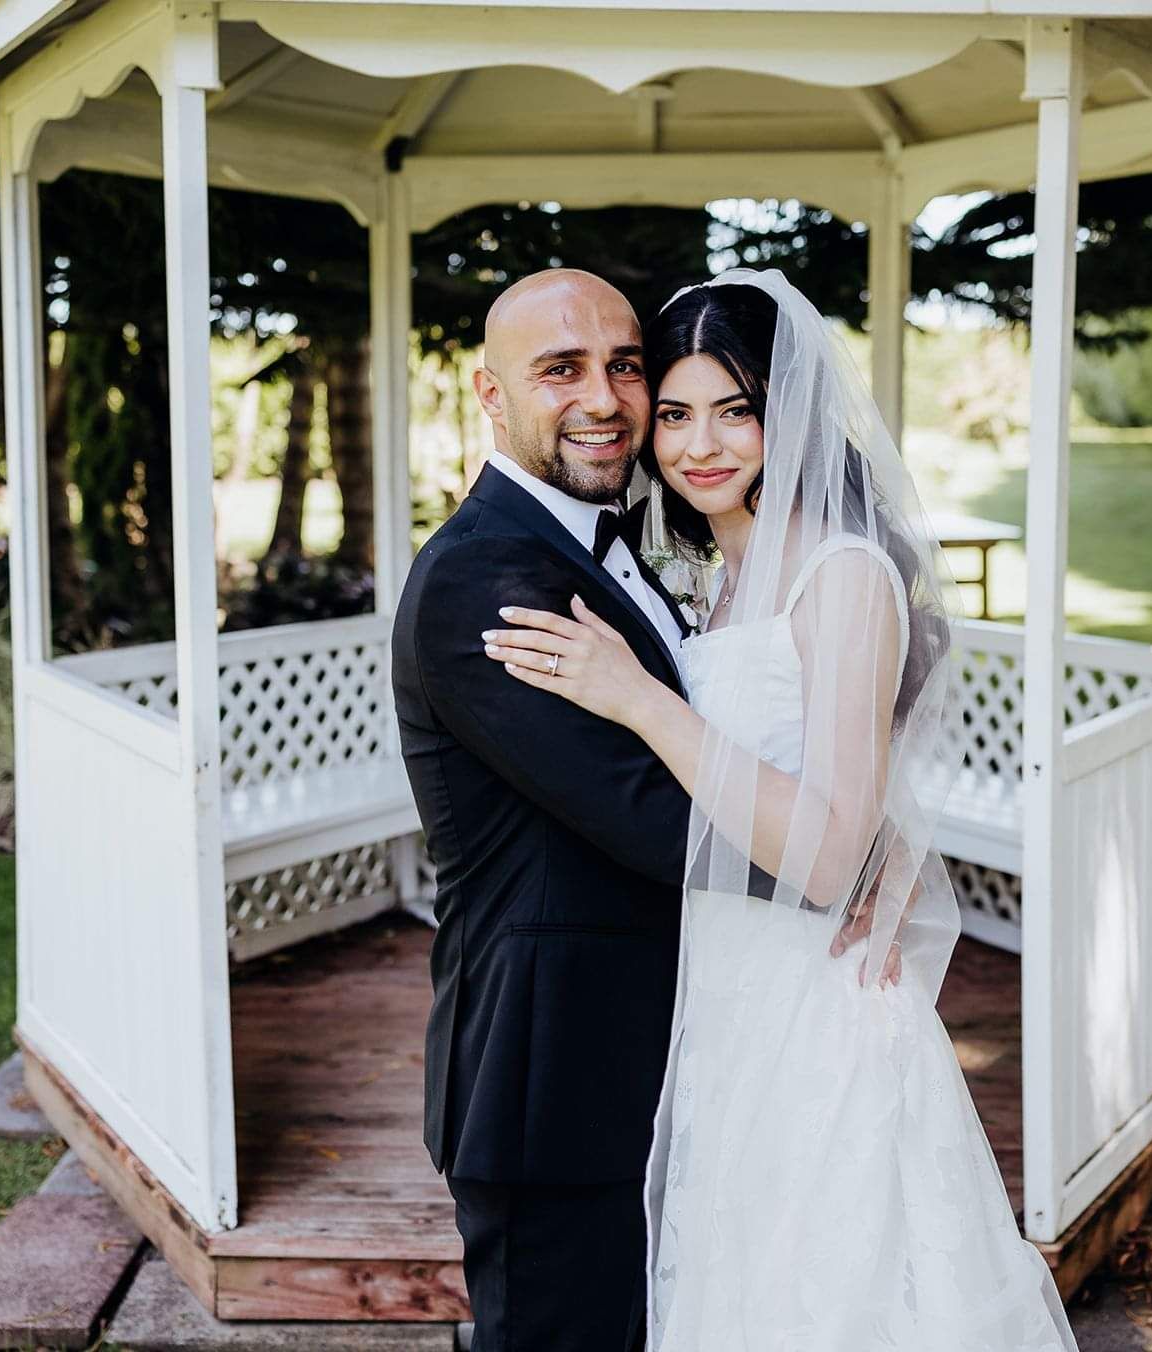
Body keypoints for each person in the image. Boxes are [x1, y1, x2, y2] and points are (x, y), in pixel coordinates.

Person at [479, 269, 1080, 1350]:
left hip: (816, 998)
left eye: (735, 410)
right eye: (673, 413)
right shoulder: (719, 573)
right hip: (726, 992)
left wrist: (642, 700)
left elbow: (828, 852)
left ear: (787, 414)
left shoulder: (841, 573)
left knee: (827, 1291)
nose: (700, 444)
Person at [391, 269, 696, 1351]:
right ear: (489, 392)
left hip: (639, 1058)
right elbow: (652, 816)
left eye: (624, 363)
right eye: (560, 368)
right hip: (554, 1074)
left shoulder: (615, 535)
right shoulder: (484, 579)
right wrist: (833, 845)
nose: (605, 397)